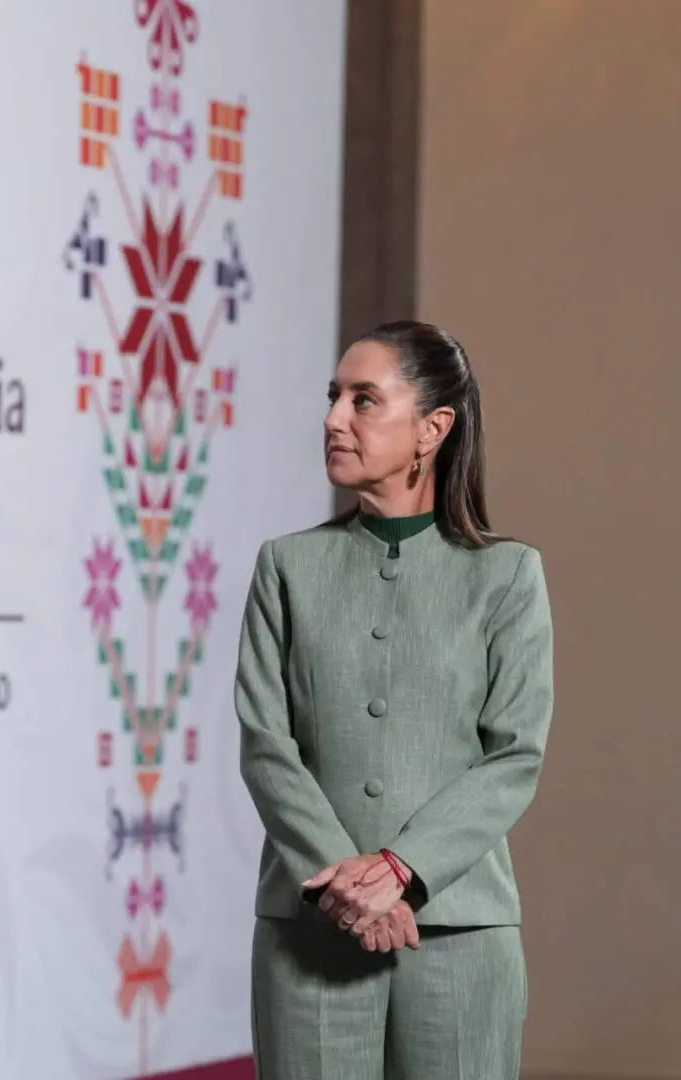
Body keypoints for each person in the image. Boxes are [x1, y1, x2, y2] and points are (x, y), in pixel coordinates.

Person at [235, 320, 553, 1078]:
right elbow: (264, 742)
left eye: (364, 400)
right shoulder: (287, 567)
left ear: (432, 428)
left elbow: (515, 755)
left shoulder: (506, 576)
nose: (334, 418)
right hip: (309, 934)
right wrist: (345, 883)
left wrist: (401, 870)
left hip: (459, 935)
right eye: (333, 396)